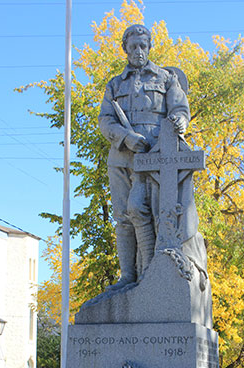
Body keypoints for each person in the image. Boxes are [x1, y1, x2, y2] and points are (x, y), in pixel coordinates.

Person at [99, 24, 204, 291]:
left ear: (149, 47)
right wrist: (125, 138)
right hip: (122, 158)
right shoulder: (114, 84)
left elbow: (180, 108)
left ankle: (151, 274)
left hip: (156, 159)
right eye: (132, 46)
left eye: (142, 45)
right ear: (125, 49)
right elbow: (105, 121)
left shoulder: (166, 79)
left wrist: (180, 121)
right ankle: (128, 278)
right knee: (124, 217)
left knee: (151, 213)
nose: (138, 51)